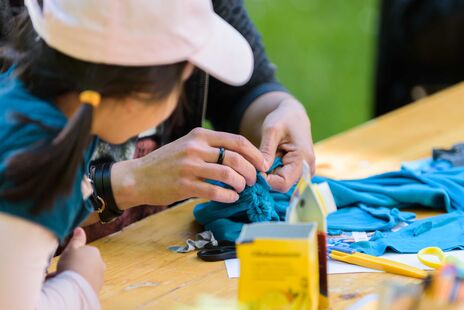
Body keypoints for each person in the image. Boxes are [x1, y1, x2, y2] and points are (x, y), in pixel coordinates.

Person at [0, 0, 260, 308]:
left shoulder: (32, 101)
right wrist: (79, 282)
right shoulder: (38, 160)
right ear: (137, 99)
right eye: (181, 83)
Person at [81, 0, 316, 242]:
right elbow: (39, 195)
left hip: (163, 242)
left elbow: (242, 88)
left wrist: (283, 110)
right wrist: (131, 182)